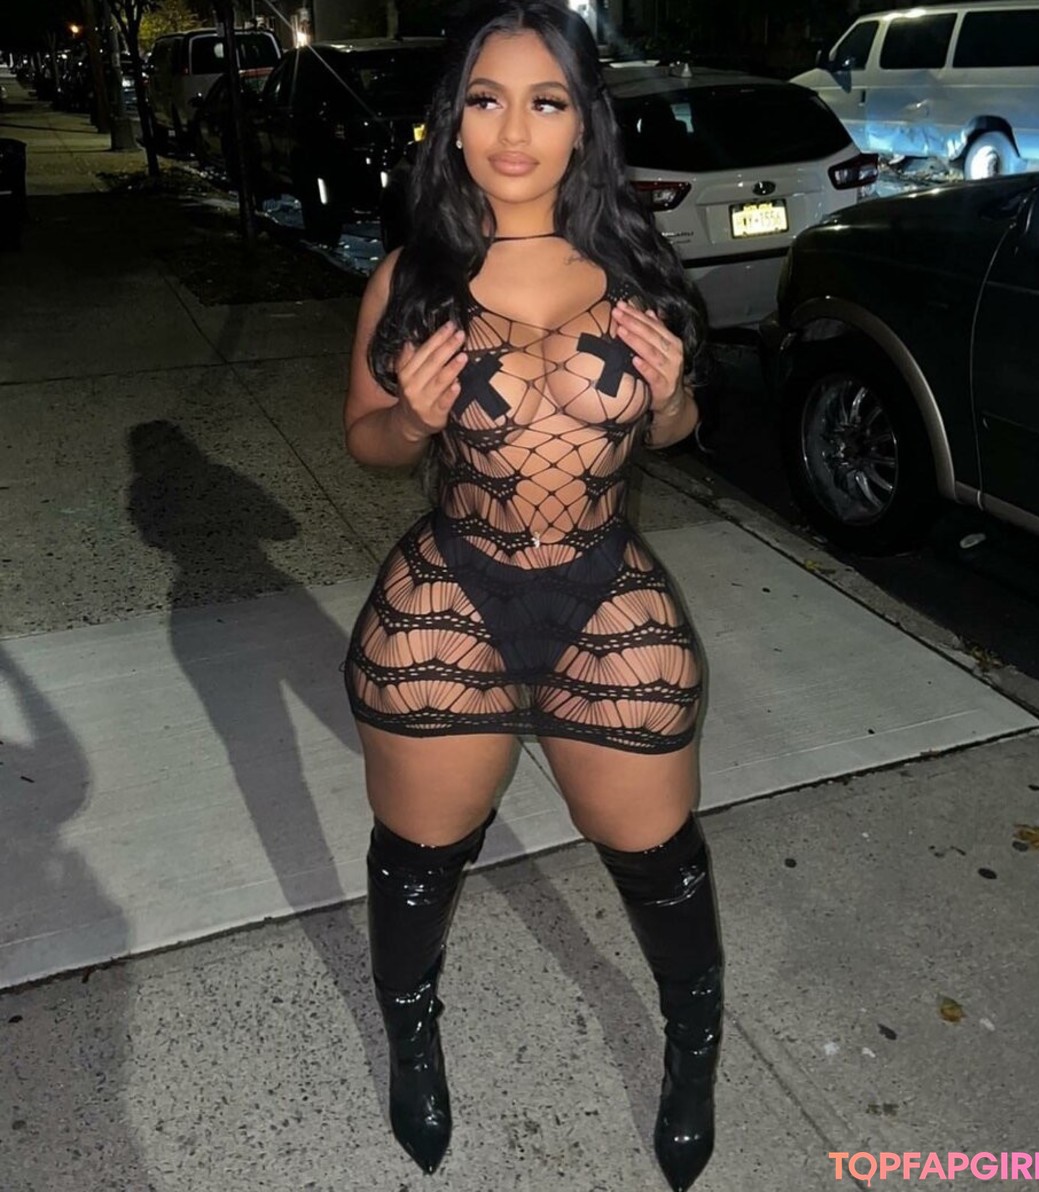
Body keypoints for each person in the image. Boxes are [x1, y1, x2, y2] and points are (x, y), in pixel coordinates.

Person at [342, 2, 723, 1188]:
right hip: (449, 597)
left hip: (604, 590)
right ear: (453, 123)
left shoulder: (639, 271)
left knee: (659, 859)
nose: (514, 131)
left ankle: (693, 1056)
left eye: (545, 101)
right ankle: (414, 1041)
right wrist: (414, 417)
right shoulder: (414, 278)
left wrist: (670, 397)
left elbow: (674, 425)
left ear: (582, 123)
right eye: (487, 100)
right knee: (419, 857)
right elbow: (367, 439)